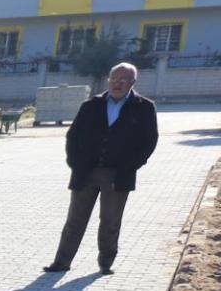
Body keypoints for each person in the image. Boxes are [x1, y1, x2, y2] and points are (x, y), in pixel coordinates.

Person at [45, 61, 158, 274]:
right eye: (114, 79)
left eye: (123, 80)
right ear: (109, 80)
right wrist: (75, 163)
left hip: (118, 174)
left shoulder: (143, 107)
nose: (117, 84)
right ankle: (61, 262)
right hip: (86, 172)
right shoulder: (91, 105)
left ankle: (105, 263)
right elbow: (73, 136)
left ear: (132, 82)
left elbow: (149, 142)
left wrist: (131, 166)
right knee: (75, 220)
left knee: (110, 222)